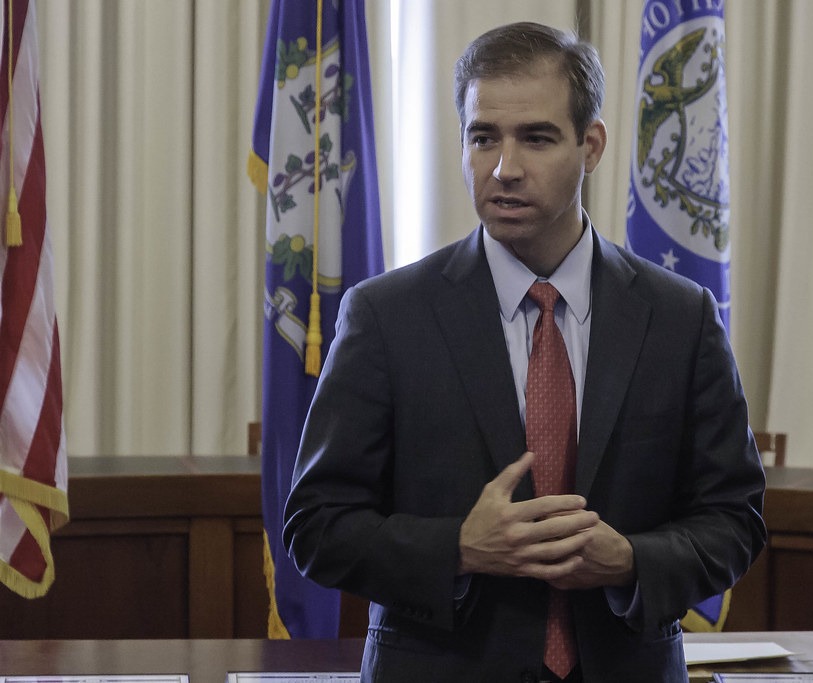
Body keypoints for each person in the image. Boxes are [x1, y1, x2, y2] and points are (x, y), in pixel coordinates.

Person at [283, 21, 766, 683]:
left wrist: (628, 559)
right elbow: (317, 525)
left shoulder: (679, 317)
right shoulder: (387, 315)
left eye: (535, 137)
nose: (505, 167)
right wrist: (459, 546)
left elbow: (735, 519)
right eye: (484, 137)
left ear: (590, 145)